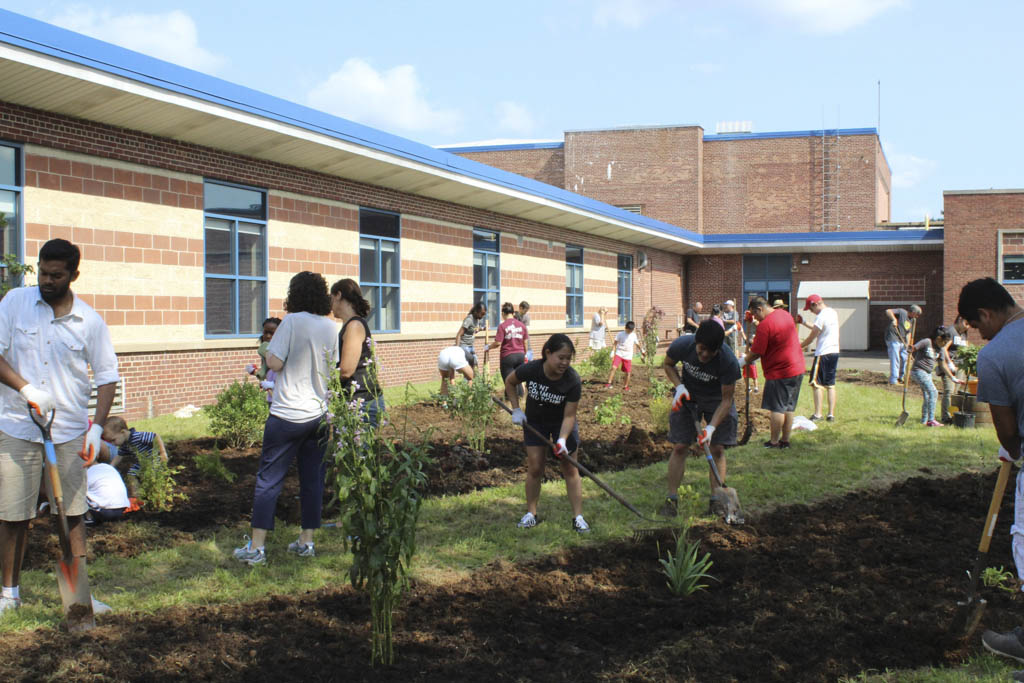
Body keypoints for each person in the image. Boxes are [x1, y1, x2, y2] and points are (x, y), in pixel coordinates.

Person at [0, 238, 119, 618]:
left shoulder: (90, 321)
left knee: (71, 513)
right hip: (18, 425)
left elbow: (106, 376)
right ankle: (9, 595)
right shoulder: (15, 302)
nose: (46, 280)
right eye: (43, 272)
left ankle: (80, 594)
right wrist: (28, 388)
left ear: (74, 275)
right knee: (13, 513)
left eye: (56, 275)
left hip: (67, 429)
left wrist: (97, 428)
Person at [233, 271, 338, 565]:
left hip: (287, 413)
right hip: (318, 415)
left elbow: (275, 362)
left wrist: (270, 353)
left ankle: (256, 549)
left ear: (295, 294)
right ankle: (306, 542)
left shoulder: (291, 321)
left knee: (268, 480)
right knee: (312, 480)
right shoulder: (331, 327)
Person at [954, 280, 1024, 670]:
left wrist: (1013, 449)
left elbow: (1007, 431)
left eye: (976, 327)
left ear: (985, 314)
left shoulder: (995, 354)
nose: (979, 335)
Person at [504, 334, 589, 533]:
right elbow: (510, 382)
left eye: (568, 358)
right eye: (561, 357)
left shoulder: (572, 380)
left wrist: (561, 439)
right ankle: (531, 514)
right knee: (535, 467)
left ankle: (578, 517)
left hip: (562, 424)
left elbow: (569, 416)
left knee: (570, 468)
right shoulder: (532, 369)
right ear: (548, 353)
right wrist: (516, 409)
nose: (565, 362)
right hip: (536, 422)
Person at [659, 320, 740, 517]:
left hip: (716, 400)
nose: (704, 355)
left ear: (718, 349)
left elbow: (726, 400)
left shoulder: (728, 362)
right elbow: (668, 364)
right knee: (680, 446)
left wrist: (711, 428)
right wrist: (679, 386)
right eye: (701, 349)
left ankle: (718, 502)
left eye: (709, 352)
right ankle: (671, 501)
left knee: (717, 449)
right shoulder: (683, 345)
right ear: (696, 341)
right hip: (688, 396)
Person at [743, 296, 805, 449]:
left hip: (780, 372)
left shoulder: (765, 326)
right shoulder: (784, 315)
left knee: (777, 408)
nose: (755, 317)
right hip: (797, 368)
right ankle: (785, 441)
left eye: (755, 314)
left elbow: (756, 352)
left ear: (760, 309)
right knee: (789, 407)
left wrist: (742, 361)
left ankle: (774, 442)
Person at [330, 279, 383, 427]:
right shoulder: (350, 324)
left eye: (331, 298)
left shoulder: (354, 326)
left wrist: (325, 382)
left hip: (363, 403)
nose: (330, 305)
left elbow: (346, 370)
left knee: (357, 450)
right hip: (357, 401)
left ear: (339, 295)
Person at [799, 294, 840, 422]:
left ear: (815, 304)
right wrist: (803, 322)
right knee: (830, 384)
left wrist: (799, 346)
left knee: (816, 384)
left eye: (811, 309)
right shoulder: (832, 312)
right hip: (834, 351)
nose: (811, 311)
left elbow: (813, 335)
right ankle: (831, 415)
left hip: (823, 353)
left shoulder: (822, 315)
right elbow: (818, 328)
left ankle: (817, 414)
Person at [484, 302, 529, 398]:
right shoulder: (522, 325)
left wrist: (488, 347)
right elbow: (525, 342)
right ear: (513, 313)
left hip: (508, 357)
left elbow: (498, 343)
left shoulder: (502, 326)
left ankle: (511, 404)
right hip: (520, 355)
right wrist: (524, 354)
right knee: (518, 380)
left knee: (509, 382)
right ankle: (521, 401)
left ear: (503, 313)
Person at [908, 327, 949, 427]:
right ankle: (931, 420)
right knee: (933, 392)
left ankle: (924, 421)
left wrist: (953, 378)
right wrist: (911, 348)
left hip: (928, 373)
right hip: (918, 371)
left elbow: (943, 365)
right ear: (938, 338)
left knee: (927, 396)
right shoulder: (927, 342)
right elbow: (914, 347)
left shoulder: (940, 349)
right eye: (944, 341)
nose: (945, 344)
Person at [936, 318, 968, 424]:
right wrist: (950, 362)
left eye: (969, 325)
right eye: (965, 323)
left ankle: (954, 416)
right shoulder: (950, 331)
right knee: (949, 391)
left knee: (955, 393)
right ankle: (946, 417)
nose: (967, 327)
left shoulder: (964, 334)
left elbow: (966, 348)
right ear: (960, 320)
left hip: (960, 367)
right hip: (948, 366)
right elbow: (943, 348)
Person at [884, 304, 922, 384]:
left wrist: (908, 345)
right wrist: (894, 319)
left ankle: (901, 378)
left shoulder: (912, 320)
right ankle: (893, 380)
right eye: (917, 314)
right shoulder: (901, 312)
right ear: (913, 312)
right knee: (895, 359)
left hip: (902, 340)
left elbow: (908, 333)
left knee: (904, 358)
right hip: (893, 337)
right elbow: (888, 311)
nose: (917, 317)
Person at [84, 461, 131, 526]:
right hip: (122, 510)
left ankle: (89, 519)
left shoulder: (88, 471)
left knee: (79, 493)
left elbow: (81, 491)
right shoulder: (110, 467)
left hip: (104, 512)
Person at [604, 321, 645, 391]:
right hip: (619, 353)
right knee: (614, 367)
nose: (629, 331)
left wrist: (642, 351)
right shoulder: (620, 334)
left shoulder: (633, 335)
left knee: (628, 372)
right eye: (628, 330)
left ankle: (625, 387)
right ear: (625, 328)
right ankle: (609, 383)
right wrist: (613, 351)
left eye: (631, 330)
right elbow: (615, 344)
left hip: (628, 355)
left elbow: (637, 344)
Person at [246, 317, 281, 381]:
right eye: (265, 332)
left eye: (272, 333)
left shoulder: (282, 352)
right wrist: (254, 371)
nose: (268, 336)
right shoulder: (264, 348)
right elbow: (264, 373)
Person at [455, 302, 487, 369]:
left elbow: (473, 330)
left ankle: (475, 379)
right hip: (464, 346)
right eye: (482, 313)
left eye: (484, 314)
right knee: (471, 363)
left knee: (475, 364)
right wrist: (457, 350)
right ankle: (469, 378)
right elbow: (459, 335)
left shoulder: (476, 319)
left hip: (470, 346)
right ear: (476, 311)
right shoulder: (469, 319)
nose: (482, 316)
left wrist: (482, 329)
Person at [743, 309, 760, 394]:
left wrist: (753, 320)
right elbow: (748, 334)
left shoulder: (756, 322)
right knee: (746, 367)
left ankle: (756, 387)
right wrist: (746, 348)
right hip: (749, 344)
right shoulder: (747, 323)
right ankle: (748, 387)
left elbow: (759, 327)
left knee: (752, 367)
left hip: (754, 345)